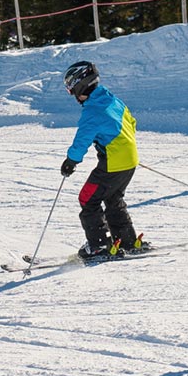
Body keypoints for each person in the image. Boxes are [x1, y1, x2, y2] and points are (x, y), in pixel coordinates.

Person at [59, 61, 145, 260]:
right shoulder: (112, 100)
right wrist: (124, 147)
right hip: (129, 160)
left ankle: (99, 246)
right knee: (113, 198)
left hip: (113, 163)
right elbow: (131, 123)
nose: (72, 95)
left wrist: (71, 161)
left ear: (81, 85)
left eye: (71, 90)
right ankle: (127, 241)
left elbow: (82, 140)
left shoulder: (92, 111)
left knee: (88, 198)